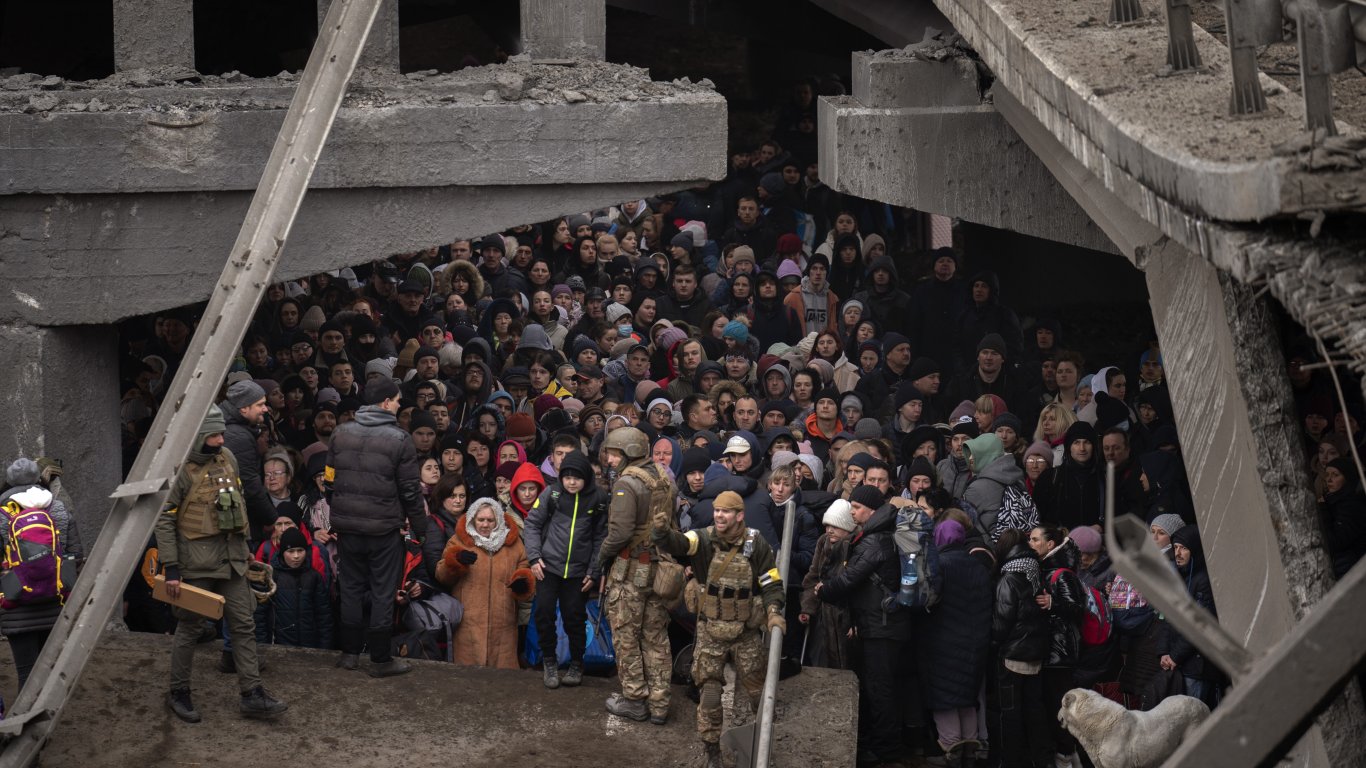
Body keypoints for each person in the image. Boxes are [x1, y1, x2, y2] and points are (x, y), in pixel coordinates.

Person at [156, 404, 287, 723]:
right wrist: (172, 568)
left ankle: (252, 693)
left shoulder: (228, 458)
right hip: (197, 565)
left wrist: (244, 550)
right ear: (198, 435)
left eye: (220, 433)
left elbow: (237, 505)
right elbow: (165, 519)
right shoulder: (180, 471)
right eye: (213, 434)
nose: (220, 439)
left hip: (232, 560)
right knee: (190, 627)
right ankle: (179, 692)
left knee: (244, 624)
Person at [653, 489, 785, 768]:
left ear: (740, 515)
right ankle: (712, 753)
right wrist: (662, 532)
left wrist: (773, 612)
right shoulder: (702, 538)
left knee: (758, 693)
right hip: (711, 631)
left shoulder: (756, 543)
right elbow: (678, 544)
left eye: (726, 511)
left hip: (746, 632)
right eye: (717, 511)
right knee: (710, 696)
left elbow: (771, 581)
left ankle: (763, 745)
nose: (719, 516)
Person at [327, 377, 427, 676]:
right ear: (385, 403)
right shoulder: (399, 439)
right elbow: (410, 491)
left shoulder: (339, 433)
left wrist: (340, 509)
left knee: (351, 588)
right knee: (384, 591)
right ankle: (381, 658)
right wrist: (420, 529)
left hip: (347, 528)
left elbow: (329, 481)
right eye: (397, 401)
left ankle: (349, 654)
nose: (399, 406)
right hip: (383, 529)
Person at [817, 485, 912, 765]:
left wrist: (824, 590)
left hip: (882, 627)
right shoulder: (877, 535)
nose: (852, 512)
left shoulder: (875, 541)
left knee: (879, 688)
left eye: (856, 507)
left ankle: (887, 749)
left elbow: (850, 579)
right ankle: (883, 743)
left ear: (871, 510)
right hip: (880, 624)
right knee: (880, 686)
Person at [597, 427, 676, 724]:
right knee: (656, 637)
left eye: (615, 453)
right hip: (660, 568)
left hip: (630, 570)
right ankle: (659, 703)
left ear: (629, 452)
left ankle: (634, 698)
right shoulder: (663, 478)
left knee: (626, 635)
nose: (611, 459)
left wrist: (601, 556)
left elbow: (618, 534)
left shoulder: (626, 484)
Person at [524, 452, 610, 688]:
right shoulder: (551, 494)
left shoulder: (599, 499)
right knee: (544, 613)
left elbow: (601, 538)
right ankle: (549, 661)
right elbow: (532, 524)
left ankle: (576, 663)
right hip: (548, 567)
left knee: (575, 617)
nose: (571, 482)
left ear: (587, 478)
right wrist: (533, 557)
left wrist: (594, 572)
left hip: (578, 572)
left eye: (577, 478)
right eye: (567, 477)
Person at [435, 496, 536, 668]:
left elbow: (525, 568)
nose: (485, 524)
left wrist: (522, 582)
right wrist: (456, 561)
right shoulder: (458, 540)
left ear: (498, 521)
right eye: (480, 519)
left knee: (503, 683)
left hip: (504, 623)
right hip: (468, 623)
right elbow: (441, 575)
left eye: (490, 520)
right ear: (473, 519)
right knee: (467, 680)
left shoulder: (514, 544)